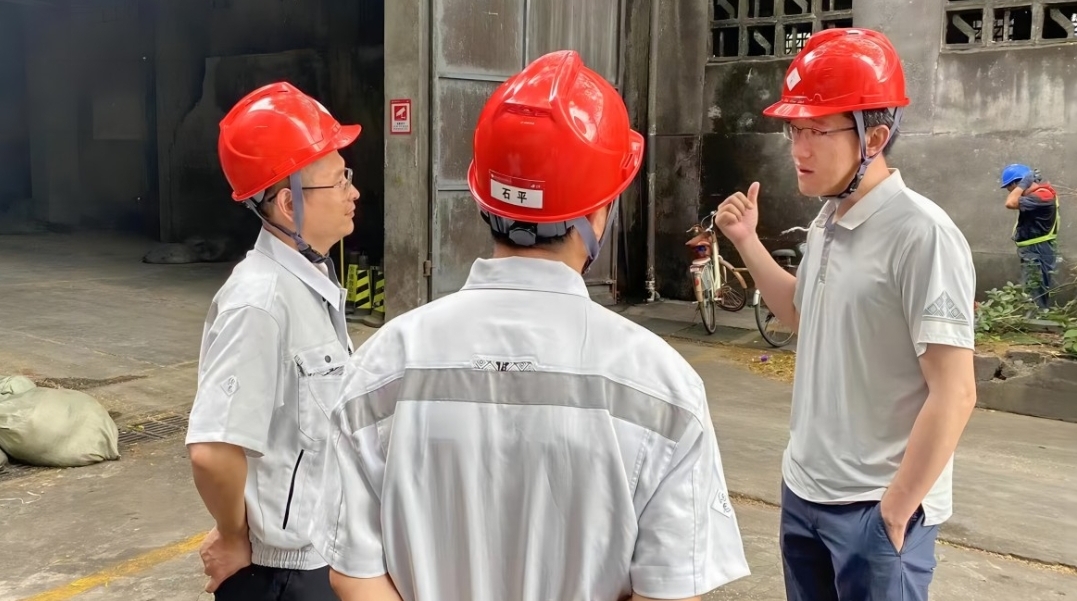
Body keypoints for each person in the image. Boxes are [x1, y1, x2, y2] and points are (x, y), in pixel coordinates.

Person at [309, 50, 750, 601]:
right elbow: (669, 588)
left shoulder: (385, 363)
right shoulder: (662, 387)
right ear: (599, 213)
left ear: (482, 198)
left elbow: (353, 571)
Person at [715, 28, 978, 601]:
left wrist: (896, 509)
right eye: (794, 130)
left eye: (817, 131)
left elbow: (956, 391)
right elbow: (803, 315)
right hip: (804, 494)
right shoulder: (827, 221)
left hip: (874, 508)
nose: (798, 149)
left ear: (874, 137)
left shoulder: (922, 235)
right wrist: (747, 241)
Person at [184, 81, 362, 601]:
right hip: (281, 577)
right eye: (340, 180)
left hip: (320, 555)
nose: (353, 192)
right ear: (289, 203)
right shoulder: (259, 303)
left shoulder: (309, 280)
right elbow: (213, 452)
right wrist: (235, 538)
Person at [1000, 163, 1059, 310]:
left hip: (1038, 250)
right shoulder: (1036, 196)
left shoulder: (1042, 195)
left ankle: (1037, 318)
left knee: (1035, 291)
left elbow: (1010, 202)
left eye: (1010, 187)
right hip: (1034, 250)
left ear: (1017, 183)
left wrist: (1022, 185)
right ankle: (1036, 317)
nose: (1010, 191)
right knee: (1032, 290)